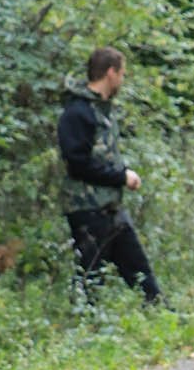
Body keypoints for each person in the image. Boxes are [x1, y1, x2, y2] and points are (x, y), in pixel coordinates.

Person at [57, 46, 162, 304]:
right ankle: (84, 327)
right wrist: (121, 177)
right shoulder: (77, 113)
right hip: (87, 209)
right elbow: (77, 164)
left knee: (139, 269)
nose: (123, 80)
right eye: (122, 74)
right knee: (90, 278)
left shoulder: (103, 111)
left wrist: (121, 176)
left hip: (111, 208)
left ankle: (165, 314)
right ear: (111, 73)